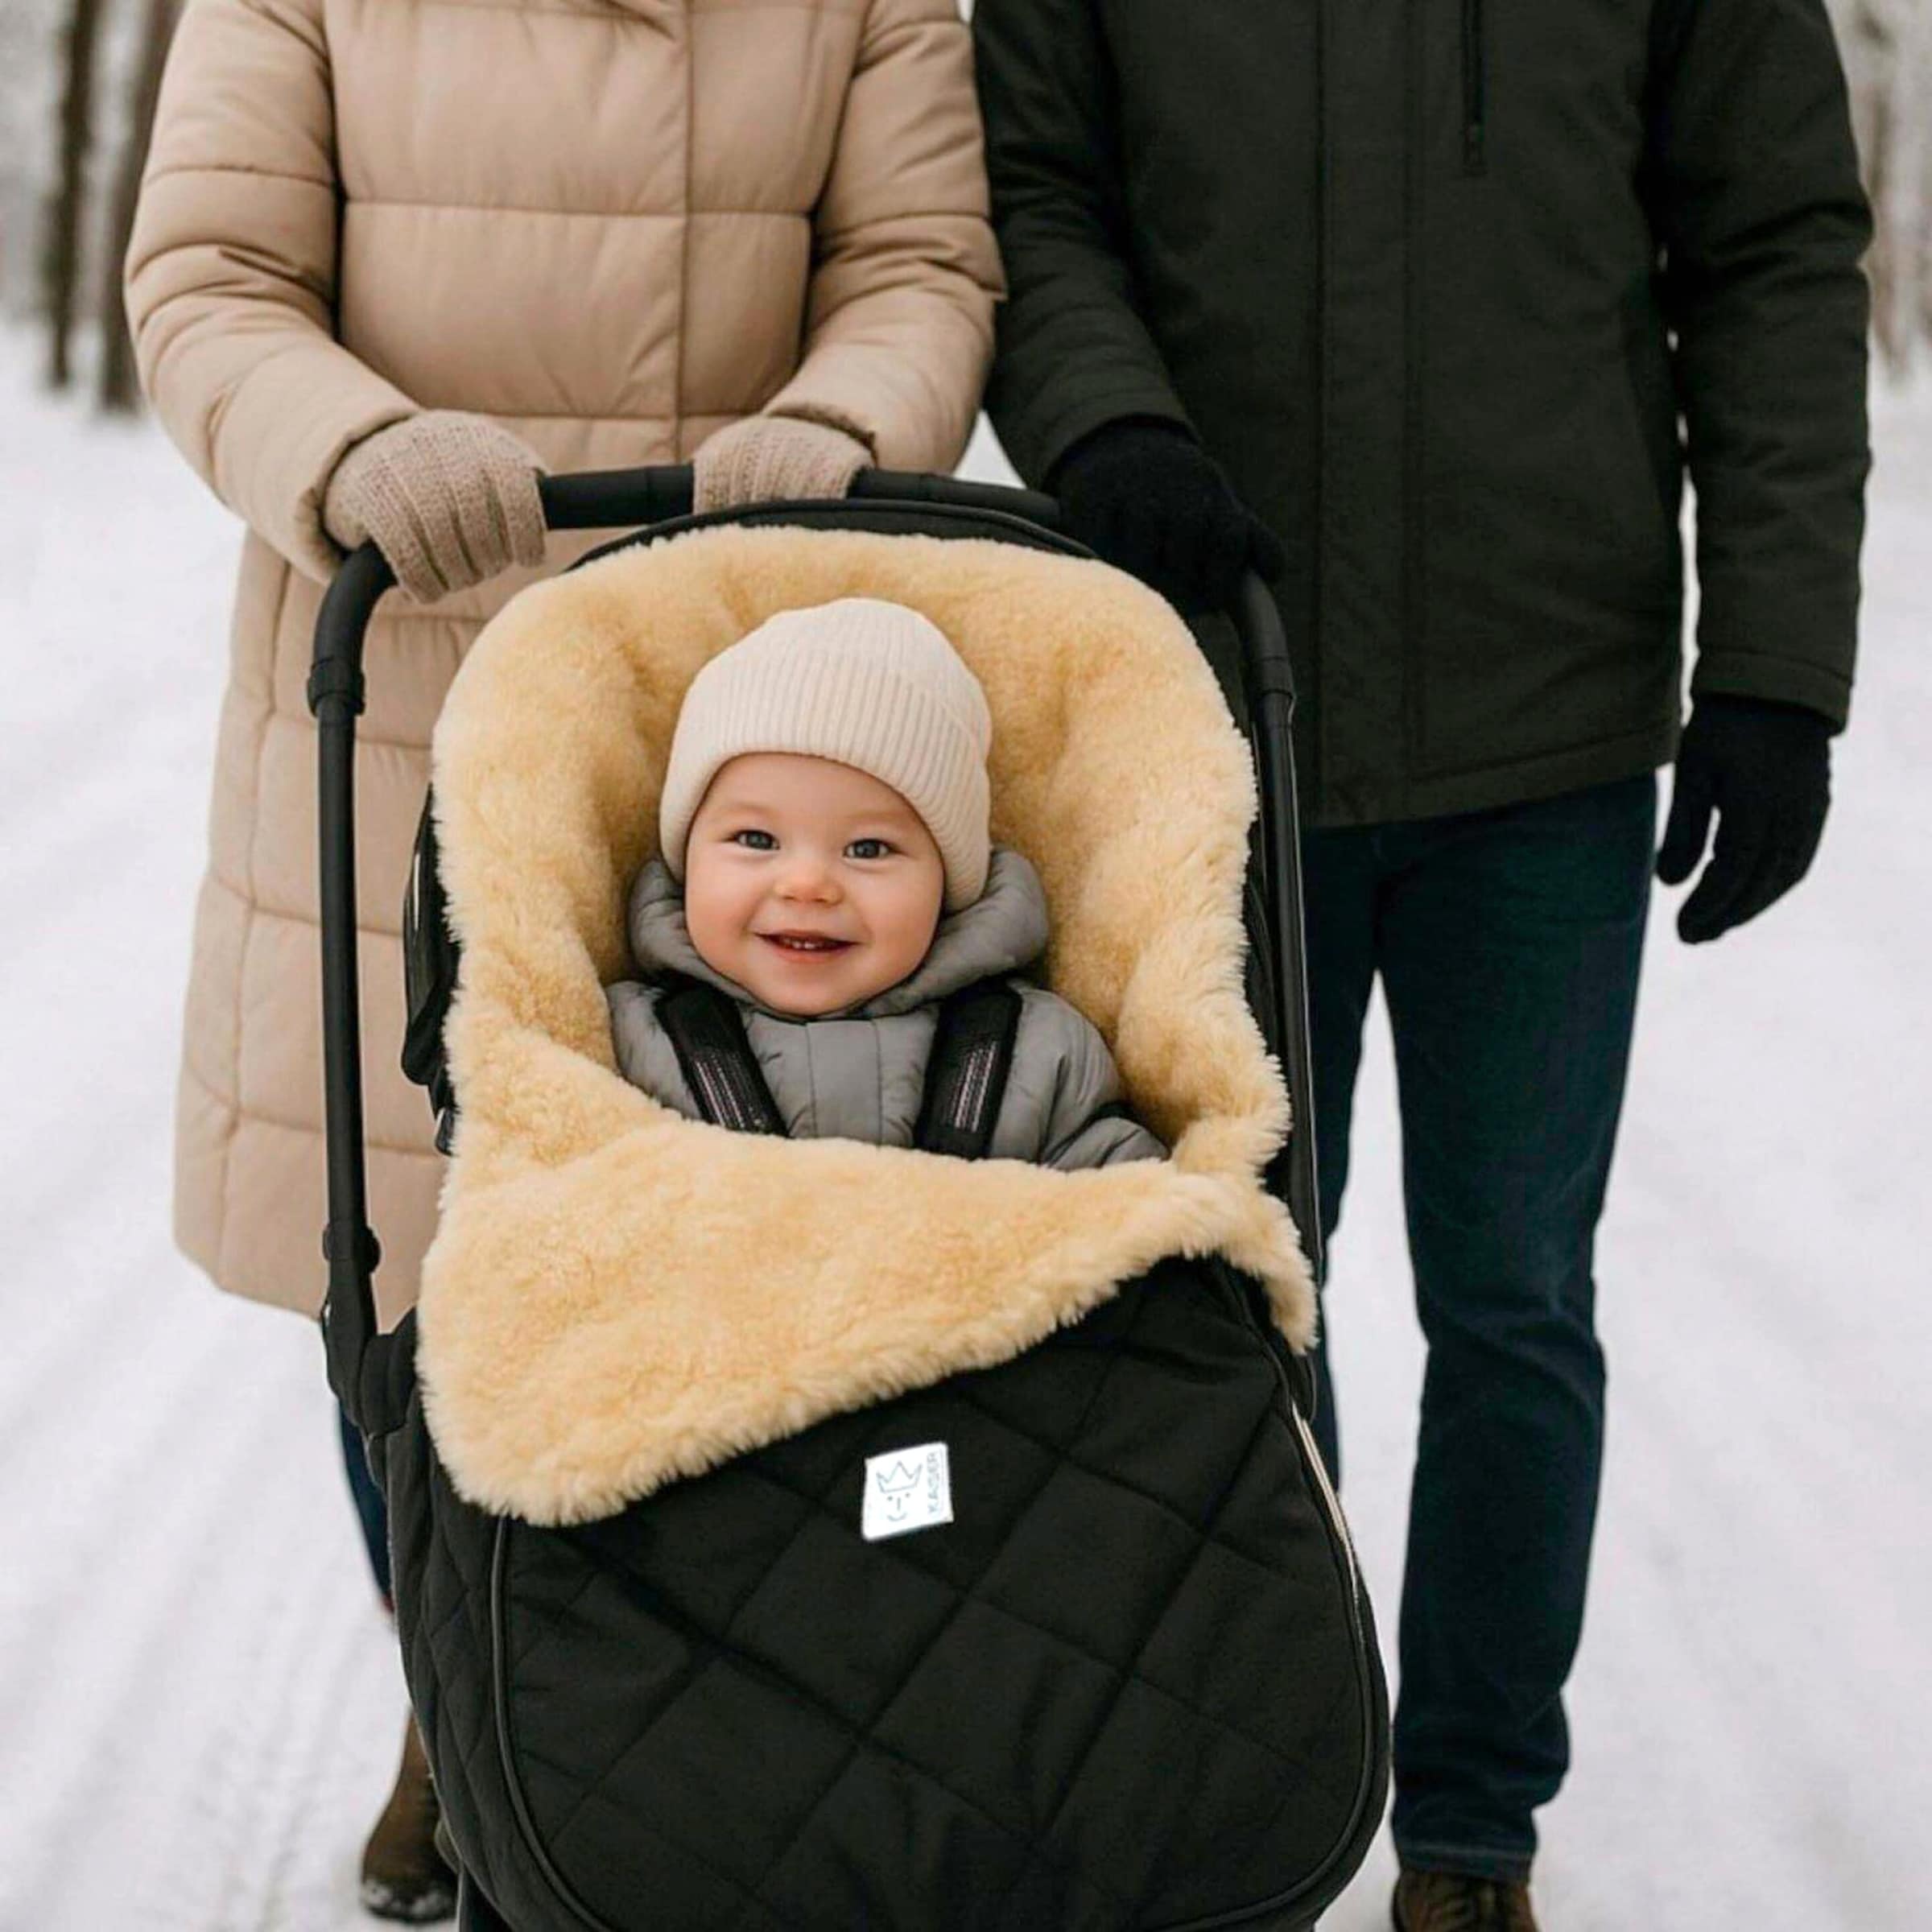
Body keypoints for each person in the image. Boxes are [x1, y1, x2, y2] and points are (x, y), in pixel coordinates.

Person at [972, 1, 1871, 1925]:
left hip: (1540, 720)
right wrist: (1105, 418)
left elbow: (1772, 245)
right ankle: (1256, 1785)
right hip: (1208, 699)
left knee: (1514, 1297)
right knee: (1221, 1289)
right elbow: (1030, 189)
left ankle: (1468, 1833)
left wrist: (1776, 666)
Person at [126, 1, 1000, 1915]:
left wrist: (846, 421)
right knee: (400, 1270)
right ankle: (464, 1693)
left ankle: (654, 1732)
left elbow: (920, 261)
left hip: (738, 707)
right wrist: (352, 439)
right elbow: (209, 275)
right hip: (397, 687)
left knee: (721, 1266)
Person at [606, 597, 1165, 1170]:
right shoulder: (626, 1044)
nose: (807, 884)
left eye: (868, 849)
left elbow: (1136, 1204)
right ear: (687, 861)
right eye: (755, 839)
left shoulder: (1037, 1052)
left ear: (947, 885)